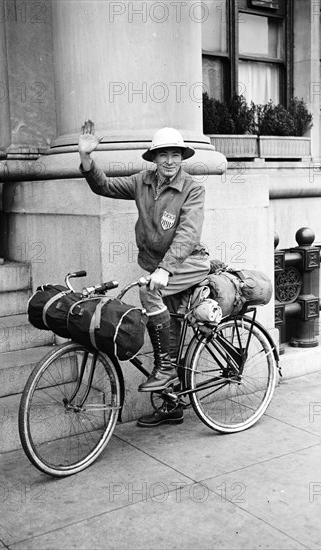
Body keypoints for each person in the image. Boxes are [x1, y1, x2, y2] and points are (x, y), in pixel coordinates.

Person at [78, 120, 210, 427]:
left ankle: (165, 368)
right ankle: (172, 405)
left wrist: (165, 269)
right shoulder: (142, 181)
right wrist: (86, 158)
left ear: (182, 157)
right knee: (171, 330)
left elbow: (188, 233)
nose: (169, 161)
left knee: (149, 293)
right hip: (158, 267)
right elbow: (104, 186)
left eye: (175, 154)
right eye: (163, 154)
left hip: (187, 262)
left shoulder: (193, 189)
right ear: (153, 158)